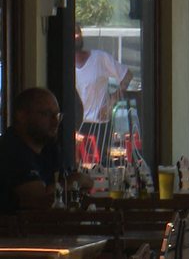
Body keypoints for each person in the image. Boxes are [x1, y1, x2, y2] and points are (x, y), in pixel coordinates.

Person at [0, 87, 91, 213]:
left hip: (51, 228)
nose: (55, 122)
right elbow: (40, 198)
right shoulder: (10, 148)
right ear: (21, 116)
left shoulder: (49, 148)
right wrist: (73, 182)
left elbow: (86, 181)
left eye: (57, 115)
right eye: (46, 114)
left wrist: (71, 182)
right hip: (20, 231)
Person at [75, 24, 133, 164]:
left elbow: (126, 75)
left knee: (98, 168)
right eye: (73, 33)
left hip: (98, 124)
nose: (76, 36)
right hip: (75, 126)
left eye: (78, 32)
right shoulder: (62, 64)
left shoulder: (99, 58)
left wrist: (111, 101)